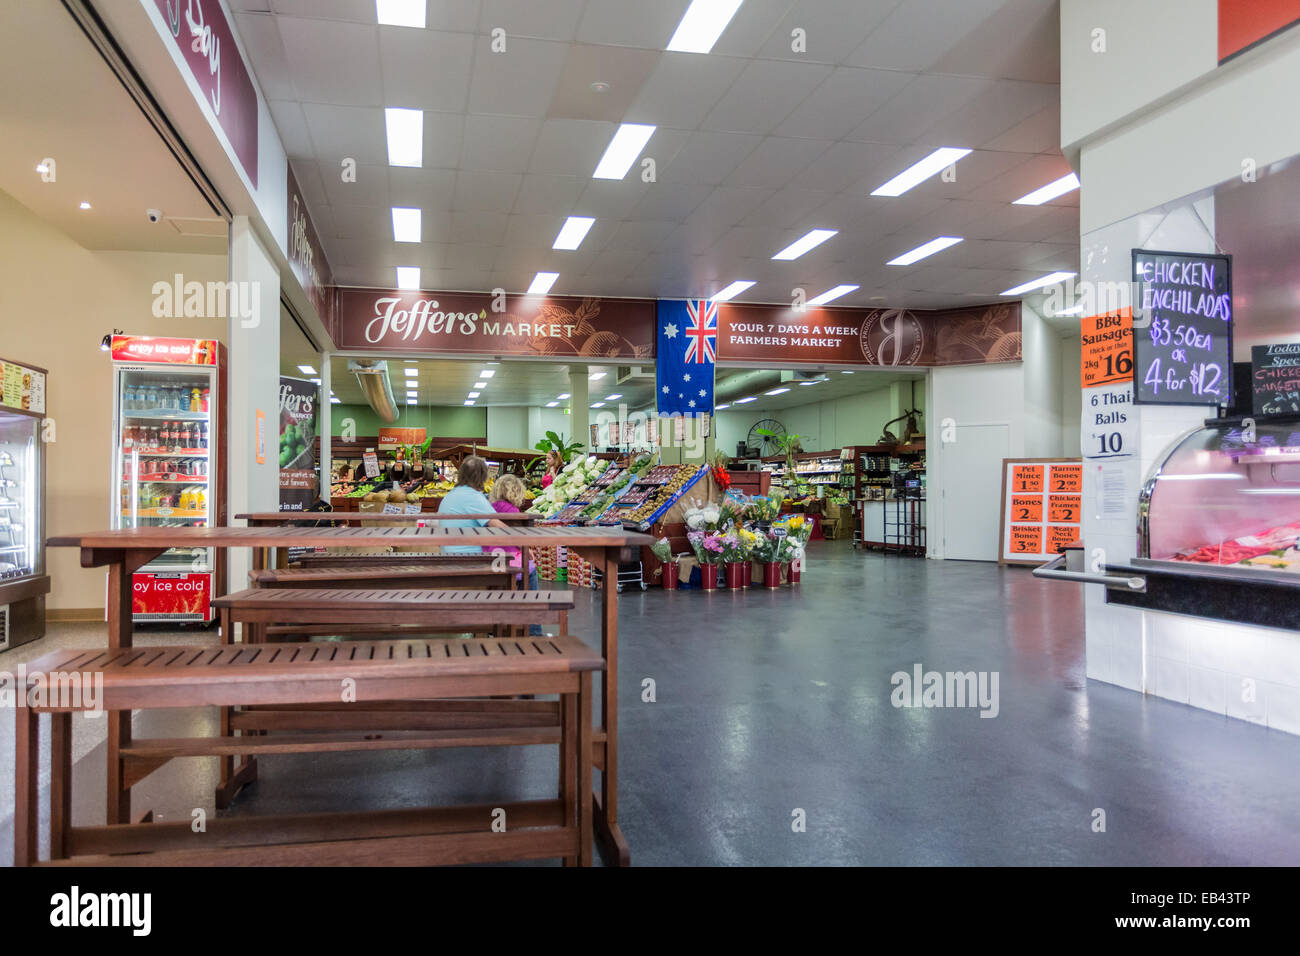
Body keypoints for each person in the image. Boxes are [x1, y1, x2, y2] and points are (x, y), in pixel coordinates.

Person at [491, 473, 541, 636]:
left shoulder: (491, 508)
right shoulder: (514, 512)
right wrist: (528, 550)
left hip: (492, 559)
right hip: (509, 562)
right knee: (531, 571)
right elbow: (517, 539)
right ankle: (533, 631)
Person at [437, 456, 507, 554]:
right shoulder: (472, 497)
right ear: (482, 477)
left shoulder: (452, 494)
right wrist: (522, 543)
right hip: (466, 557)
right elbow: (496, 524)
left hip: (447, 553)